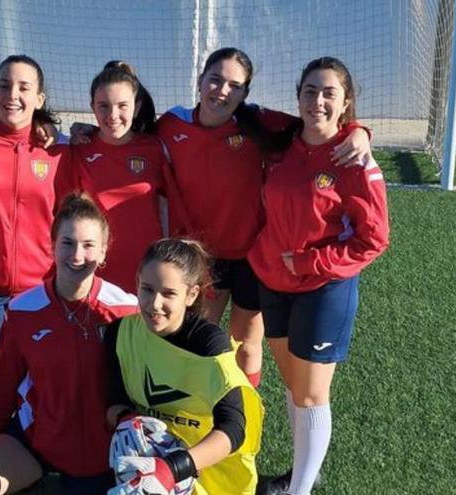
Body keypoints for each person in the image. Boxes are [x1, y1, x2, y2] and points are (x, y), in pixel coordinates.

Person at [156, 47, 372, 387]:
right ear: (200, 81)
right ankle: (194, 408)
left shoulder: (258, 122)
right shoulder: (172, 124)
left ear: (244, 93)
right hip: (199, 255)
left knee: (244, 344)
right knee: (195, 337)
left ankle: (243, 414)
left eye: (234, 85)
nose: (222, 91)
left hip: (252, 255)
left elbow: (317, 121)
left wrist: (359, 130)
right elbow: (129, 136)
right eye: (215, 80)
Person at [247, 57, 389, 495]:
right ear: (298, 96)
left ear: (347, 102)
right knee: (294, 388)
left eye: (330, 93)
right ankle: (301, 472)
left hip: (323, 288)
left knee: (310, 395)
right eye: (310, 91)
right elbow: (232, 106)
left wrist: (311, 263)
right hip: (273, 282)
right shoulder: (283, 138)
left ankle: (300, 490)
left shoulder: (354, 159)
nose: (318, 101)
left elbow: (374, 239)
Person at [0, 193, 138, 495]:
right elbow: (4, 388)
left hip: (110, 454)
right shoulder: (23, 311)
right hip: (40, 444)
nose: (76, 255)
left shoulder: (126, 310)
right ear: (52, 246)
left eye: (88, 245)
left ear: (103, 252)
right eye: (67, 243)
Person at [104, 238, 263, 495]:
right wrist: (125, 420)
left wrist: (172, 469)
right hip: (151, 468)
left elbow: (233, 429)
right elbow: (114, 399)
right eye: (147, 289)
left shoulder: (209, 344)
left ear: (191, 295)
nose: (155, 304)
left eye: (168, 294)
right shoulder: (120, 334)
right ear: (136, 284)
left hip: (216, 479)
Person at [0, 54, 71, 401]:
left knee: (42, 385)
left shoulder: (62, 149)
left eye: (24, 87)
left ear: (39, 99)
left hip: (41, 289)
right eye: (4, 85)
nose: (13, 94)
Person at [70, 61, 169, 291]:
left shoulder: (155, 148)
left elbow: (169, 208)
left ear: (137, 106)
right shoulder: (78, 149)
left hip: (147, 268)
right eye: (103, 106)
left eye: (122, 106)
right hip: (95, 268)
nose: (113, 115)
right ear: (92, 107)